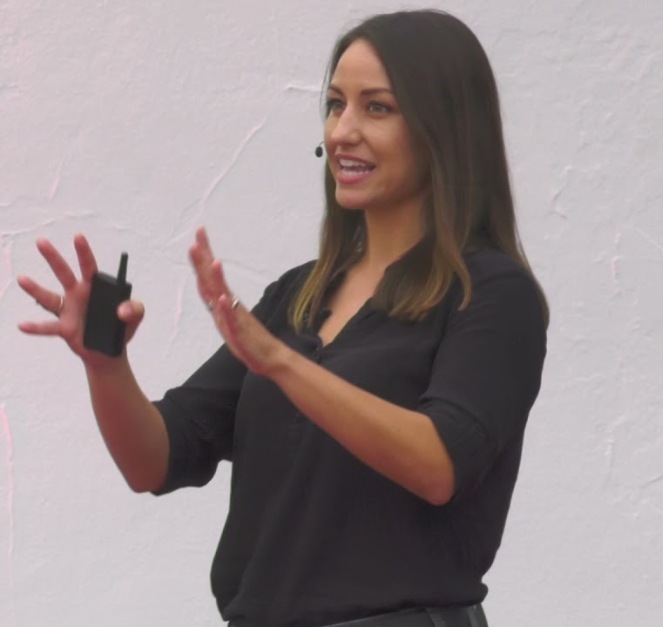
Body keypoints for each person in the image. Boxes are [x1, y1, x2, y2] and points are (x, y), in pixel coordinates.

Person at [16, 10, 547, 627]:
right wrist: (106, 363)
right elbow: (155, 460)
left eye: (377, 108)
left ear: (445, 130)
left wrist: (280, 363)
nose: (343, 131)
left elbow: (439, 465)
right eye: (335, 104)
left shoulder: (491, 294)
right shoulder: (298, 296)